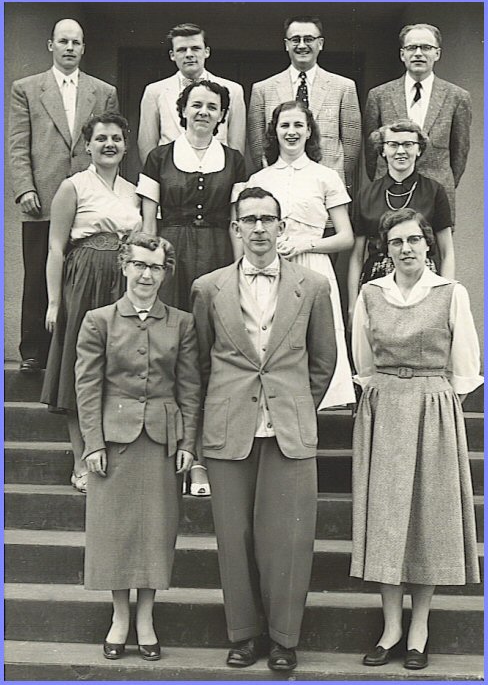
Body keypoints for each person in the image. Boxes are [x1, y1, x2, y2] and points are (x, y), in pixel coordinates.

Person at [191, 187, 337, 672]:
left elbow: (323, 361)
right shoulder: (208, 288)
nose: (258, 228)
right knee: (234, 537)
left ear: (282, 227)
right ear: (235, 228)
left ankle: (284, 638)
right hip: (228, 427)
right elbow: (199, 365)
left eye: (267, 219)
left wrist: (295, 406)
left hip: (288, 428)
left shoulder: (312, 287)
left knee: (289, 540)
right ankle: (245, 634)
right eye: (248, 219)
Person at [350, 208, 482, 670]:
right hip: (384, 407)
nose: (406, 249)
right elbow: (363, 363)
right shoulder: (370, 294)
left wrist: (436, 403)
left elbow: (465, 369)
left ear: (428, 244)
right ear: (386, 250)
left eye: (414, 240)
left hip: (433, 408)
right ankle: (390, 627)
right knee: (387, 519)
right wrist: (390, 392)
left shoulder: (450, 294)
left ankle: (419, 628)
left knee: (427, 516)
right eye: (396, 242)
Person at [75, 232, 200, 661]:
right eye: (140, 265)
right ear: (125, 267)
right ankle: (119, 618)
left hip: (163, 441)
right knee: (115, 531)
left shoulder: (181, 322)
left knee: (155, 531)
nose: (147, 274)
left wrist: (188, 442)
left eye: (156, 266)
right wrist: (92, 443)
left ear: (165, 273)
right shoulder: (99, 321)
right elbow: (87, 387)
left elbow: (189, 388)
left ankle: (146, 617)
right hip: (113, 441)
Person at [138, 79, 245, 496]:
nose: (203, 112)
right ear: (182, 111)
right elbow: (148, 224)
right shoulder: (158, 158)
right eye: (196, 105)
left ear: (222, 115)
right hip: (172, 258)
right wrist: (150, 272)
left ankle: (200, 458)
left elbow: (236, 222)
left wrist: (238, 273)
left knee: (210, 358)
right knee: (170, 354)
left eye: (212, 106)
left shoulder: (235, 161)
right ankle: (166, 456)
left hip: (217, 257)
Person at [8, 18, 119, 373]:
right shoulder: (26, 88)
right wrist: (25, 187)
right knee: (39, 272)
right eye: (63, 41)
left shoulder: (102, 91)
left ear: (84, 48)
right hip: (41, 197)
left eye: (76, 42)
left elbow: (106, 142)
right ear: (50, 45)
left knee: (81, 273)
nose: (70, 48)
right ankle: (34, 351)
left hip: (87, 196)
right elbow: (18, 145)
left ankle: (74, 346)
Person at [40, 113, 142, 494]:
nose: (109, 144)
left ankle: (113, 453)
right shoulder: (74, 186)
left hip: (122, 281)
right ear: (88, 145)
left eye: (116, 137)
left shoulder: (134, 191)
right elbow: (55, 247)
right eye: (101, 138)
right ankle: (81, 457)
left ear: (126, 145)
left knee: (118, 365)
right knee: (79, 365)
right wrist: (54, 302)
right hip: (83, 280)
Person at [242, 100, 355, 408]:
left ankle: (324, 400)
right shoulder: (260, 180)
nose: (291, 132)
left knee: (318, 332)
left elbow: (346, 237)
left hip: (313, 262)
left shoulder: (326, 176)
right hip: (270, 264)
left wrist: (306, 244)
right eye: (284, 125)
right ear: (274, 132)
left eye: (298, 126)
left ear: (309, 132)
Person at [348, 119, 455, 322]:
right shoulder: (366, 194)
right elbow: (356, 256)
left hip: (422, 278)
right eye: (393, 144)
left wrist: (446, 295)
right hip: (376, 280)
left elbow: (447, 251)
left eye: (408, 144)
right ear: (382, 151)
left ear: (419, 150)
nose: (401, 151)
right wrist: (353, 304)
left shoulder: (434, 191)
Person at [364, 23, 472, 216]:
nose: (418, 53)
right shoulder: (379, 95)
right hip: (390, 192)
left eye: (426, 47)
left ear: (437, 54)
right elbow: (372, 152)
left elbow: (459, 152)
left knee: (436, 246)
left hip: (436, 193)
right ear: (402, 54)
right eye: (412, 47)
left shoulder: (457, 97)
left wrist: (442, 183)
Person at [248, 15, 361, 189]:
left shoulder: (343, 87)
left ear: (320, 44)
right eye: (295, 39)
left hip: (327, 186)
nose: (302, 45)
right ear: (286, 44)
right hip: (278, 184)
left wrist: (333, 181)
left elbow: (351, 147)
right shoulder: (262, 89)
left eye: (308, 39)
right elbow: (258, 147)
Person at [138, 22, 246, 164]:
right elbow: (147, 145)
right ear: (172, 55)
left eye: (195, 48)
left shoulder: (233, 90)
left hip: (217, 173)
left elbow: (236, 145)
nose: (189, 54)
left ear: (206, 52)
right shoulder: (155, 91)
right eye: (182, 50)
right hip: (169, 177)